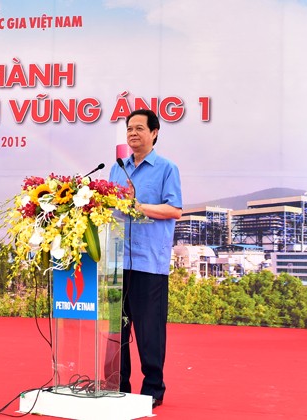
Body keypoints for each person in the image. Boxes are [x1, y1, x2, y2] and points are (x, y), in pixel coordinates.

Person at [109, 108, 183, 409]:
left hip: (148, 261)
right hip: (115, 262)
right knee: (117, 328)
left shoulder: (166, 168)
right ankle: (118, 384)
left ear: (154, 133)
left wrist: (139, 206)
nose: (132, 133)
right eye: (129, 128)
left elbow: (175, 210)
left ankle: (153, 388)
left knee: (149, 329)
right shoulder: (118, 167)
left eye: (139, 128)